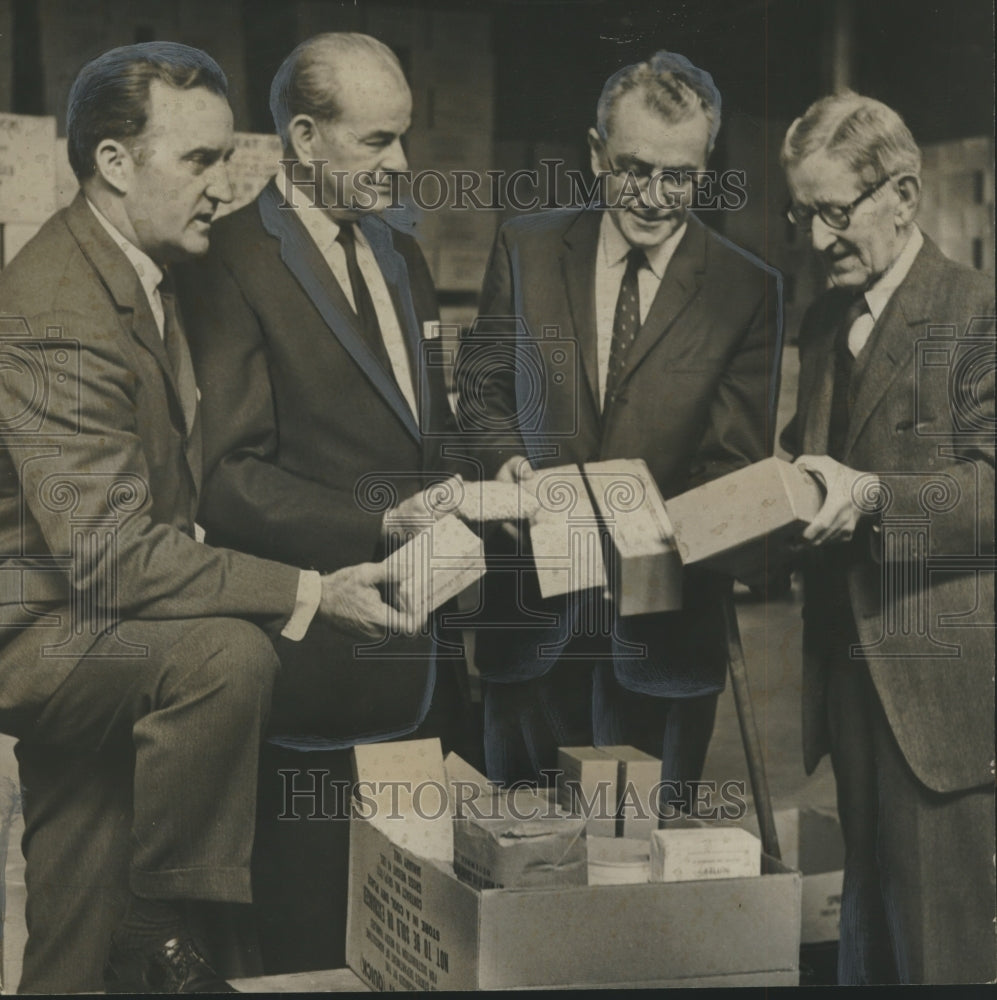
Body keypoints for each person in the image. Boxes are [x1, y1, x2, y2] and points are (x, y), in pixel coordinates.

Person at [0, 42, 417, 994]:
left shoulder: (134, 273)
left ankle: (126, 943)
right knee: (225, 657)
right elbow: (110, 556)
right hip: (45, 630)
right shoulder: (59, 307)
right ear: (114, 163)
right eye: (197, 161)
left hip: (96, 630)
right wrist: (313, 589)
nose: (223, 188)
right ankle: (165, 929)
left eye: (229, 159)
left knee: (73, 902)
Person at [174, 33, 476, 972]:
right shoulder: (226, 261)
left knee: (413, 944)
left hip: (423, 669)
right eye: (377, 142)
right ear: (304, 137)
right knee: (309, 949)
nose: (402, 164)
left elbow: (422, 432)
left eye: (403, 139)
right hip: (314, 677)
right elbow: (229, 477)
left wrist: (486, 474)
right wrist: (381, 522)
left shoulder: (402, 253)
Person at [457, 52, 782, 802]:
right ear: (595, 152)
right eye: (633, 168)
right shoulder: (526, 247)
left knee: (639, 885)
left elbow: (731, 462)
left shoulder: (746, 289)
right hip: (531, 628)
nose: (655, 196)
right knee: (520, 870)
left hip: (661, 642)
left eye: (680, 176)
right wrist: (504, 464)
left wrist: (643, 531)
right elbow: (481, 393)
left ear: (704, 167)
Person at [779, 92, 995, 985]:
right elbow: (809, 457)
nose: (815, 236)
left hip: (935, 692)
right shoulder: (826, 318)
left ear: (901, 195)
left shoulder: (973, 312)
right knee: (866, 936)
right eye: (803, 212)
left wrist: (871, 498)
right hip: (849, 677)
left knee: (943, 951)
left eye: (834, 211)